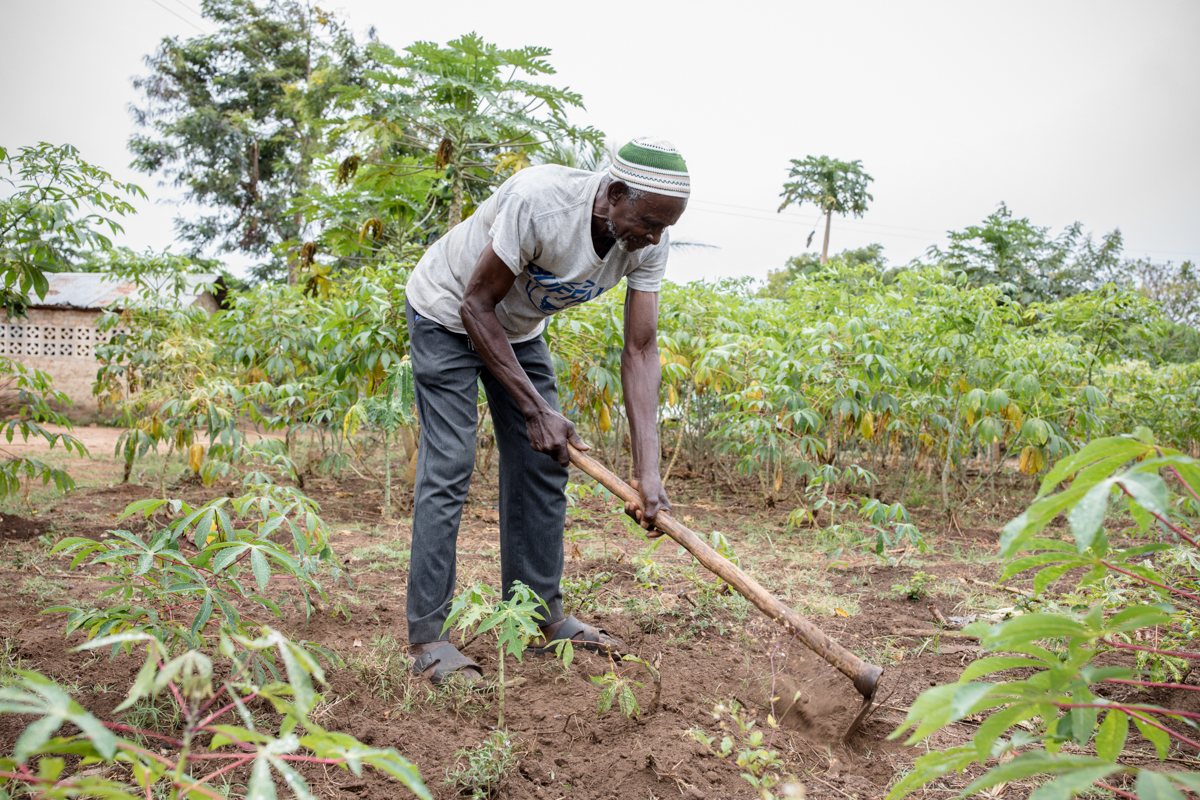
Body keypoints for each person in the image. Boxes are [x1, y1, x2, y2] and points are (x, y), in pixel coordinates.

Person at [403, 137, 689, 683]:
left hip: (516, 330)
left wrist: (648, 473)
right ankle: (428, 638)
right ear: (615, 192)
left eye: (662, 228)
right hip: (448, 308)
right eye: (647, 222)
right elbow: (474, 303)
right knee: (450, 465)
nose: (652, 238)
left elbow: (641, 349)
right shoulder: (542, 202)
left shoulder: (650, 239)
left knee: (544, 462)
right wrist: (535, 409)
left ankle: (540, 618)